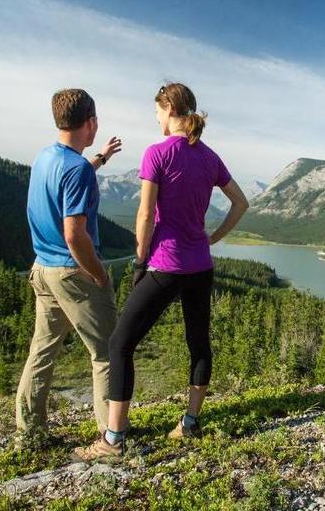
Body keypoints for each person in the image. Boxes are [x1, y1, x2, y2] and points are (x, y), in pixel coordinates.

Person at [74, 82, 248, 460]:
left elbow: (144, 215)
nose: (155, 118)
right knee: (198, 343)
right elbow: (241, 202)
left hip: (166, 265)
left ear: (169, 108)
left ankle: (113, 440)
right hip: (200, 266)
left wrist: (139, 261)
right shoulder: (210, 157)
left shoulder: (157, 153)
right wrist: (213, 237)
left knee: (120, 344)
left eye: (156, 111)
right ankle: (189, 423)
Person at [15, 88, 123, 447]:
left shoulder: (46, 157)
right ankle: (109, 434)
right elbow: (75, 234)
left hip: (42, 269)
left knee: (42, 351)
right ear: (90, 122)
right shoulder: (77, 170)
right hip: (73, 273)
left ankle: (29, 433)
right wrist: (98, 273)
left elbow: (69, 178)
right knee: (107, 351)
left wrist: (99, 159)